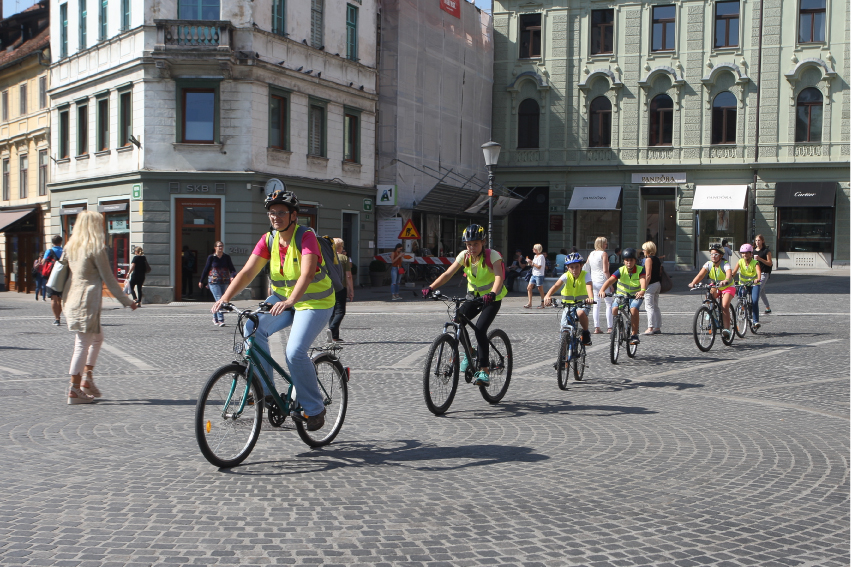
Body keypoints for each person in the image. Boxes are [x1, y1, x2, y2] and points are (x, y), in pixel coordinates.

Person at [211, 188, 334, 431]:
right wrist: (224, 297)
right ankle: (265, 391)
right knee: (251, 326)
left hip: (314, 302)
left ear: (293, 215)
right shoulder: (269, 239)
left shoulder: (306, 236)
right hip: (282, 298)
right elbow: (247, 272)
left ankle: (314, 408)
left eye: (281, 212)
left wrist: (291, 301)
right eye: (271, 213)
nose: (275, 216)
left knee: (294, 352)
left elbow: (308, 273)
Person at [59, 211, 137, 404]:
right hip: (86, 301)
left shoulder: (70, 246)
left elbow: (62, 271)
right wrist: (127, 301)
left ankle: (87, 378)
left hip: (71, 298)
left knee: (98, 337)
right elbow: (109, 280)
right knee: (82, 343)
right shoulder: (95, 248)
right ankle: (75, 389)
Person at [422, 224, 506, 386]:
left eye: (475, 244)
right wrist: (431, 287)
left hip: (491, 298)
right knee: (458, 319)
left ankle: (484, 370)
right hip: (472, 297)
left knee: (481, 329)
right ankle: (470, 352)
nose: (472, 247)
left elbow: (498, 277)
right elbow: (447, 274)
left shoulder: (493, 255)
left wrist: (492, 294)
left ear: (483, 242)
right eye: (469, 244)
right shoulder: (464, 256)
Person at [544, 253, 594, 348]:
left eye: (577, 267)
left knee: (580, 313)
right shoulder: (566, 276)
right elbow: (556, 286)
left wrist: (590, 298)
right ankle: (562, 359)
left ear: (581, 266)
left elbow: (589, 286)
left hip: (583, 304)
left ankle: (586, 332)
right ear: (567, 267)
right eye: (571, 267)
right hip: (568, 305)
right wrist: (547, 296)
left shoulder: (585, 275)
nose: (574, 270)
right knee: (564, 329)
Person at [599, 247, 645, 345]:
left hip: (635, 295)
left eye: (631, 260)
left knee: (633, 309)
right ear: (623, 261)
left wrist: (642, 291)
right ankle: (618, 326)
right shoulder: (621, 270)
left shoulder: (640, 269)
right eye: (626, 260)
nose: (629, 262)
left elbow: (643, 280)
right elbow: (610, 280)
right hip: (621, 294)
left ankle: (634, 334)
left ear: (635, 261)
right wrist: (602, 290)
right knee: (614, 308)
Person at [688, 244, 734, 340]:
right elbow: (700, 275)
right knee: (708, 298)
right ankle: (712, 312)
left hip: (727, 286)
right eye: (712, 254)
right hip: (715, 286)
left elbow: (729, 274)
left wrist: (725, 280)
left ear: (721, 255)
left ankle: (727, 329)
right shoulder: (708, 264)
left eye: (716, 254)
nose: (713, 256)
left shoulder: (725, 264)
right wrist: (693, 283)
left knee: (725, 306)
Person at [199, 241, 237, 325]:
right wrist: (201, 280)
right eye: (219, 246)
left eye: (222, 246)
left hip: (224, 281)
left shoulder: (226, 257)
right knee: (220, 299)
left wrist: (233, 276)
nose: (221, 248)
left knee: (219, 300)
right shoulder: (211, 257)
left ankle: (214, 317)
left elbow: (232, 269)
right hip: (213, 282)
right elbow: (206, 269)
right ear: (215, 247)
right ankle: (221, 320)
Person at [327, 238, 355, 343]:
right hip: (340, 287)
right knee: (340, 311)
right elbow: (348, 276)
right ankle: (332, 329)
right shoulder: (343, 258)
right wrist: (351, 290)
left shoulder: (328, 257)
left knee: (332, 311)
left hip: (329, 287)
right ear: (341, 247)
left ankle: (334, 336)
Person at [731, 243, 762, 331]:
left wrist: (758, 279)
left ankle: (755, 321)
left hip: (754, 284)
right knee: (741, 297)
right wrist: (729, 279)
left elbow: (758, 272)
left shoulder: (755, 262)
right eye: (743, 253)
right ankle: (742, 307)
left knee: (755, 300)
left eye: (747, 253)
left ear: (751, 253)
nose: (744, 255)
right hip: (743, 284)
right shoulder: (740, 261)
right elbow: (734, 272)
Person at [585, 236, 612, 334]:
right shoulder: (604, 254)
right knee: (609, 304)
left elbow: (586, 267)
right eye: (605, 243)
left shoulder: (591, 254)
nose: (606, 245)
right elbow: (605, 270)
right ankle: (610, 327)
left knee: (596, 305)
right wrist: (610, 283)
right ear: (602, 244)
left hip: (593, 281)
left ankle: (597, 327)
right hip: (603, 281)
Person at [641, 241, 663, 335]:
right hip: (657, 283)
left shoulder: (648, 259)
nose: (643, 251)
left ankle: (650, 327)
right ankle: (657, 327)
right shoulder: (657, 259)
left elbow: (648, 275)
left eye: (644, 249)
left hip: (651, 285)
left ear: (647, 250)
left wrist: (643, 287)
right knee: (655, 306)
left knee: (649, 307)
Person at [44, 235, 64, 326]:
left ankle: (57, 319)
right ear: (61, 242)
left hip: (51, 277)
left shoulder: (49, 251)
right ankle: (59, 316)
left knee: (54, 298)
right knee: (60, 298)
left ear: (52, 242)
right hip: (63, 277)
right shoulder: (64, 251)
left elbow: (43, 262)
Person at [754, 234, 773, 314]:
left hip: (764, 273)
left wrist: (760, 259)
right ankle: (767, 307)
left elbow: (770, 263)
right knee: (762, 292)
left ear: (762, 241)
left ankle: (754, 308)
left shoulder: (766, 251)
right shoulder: (753, 251)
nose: (757, 242)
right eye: (756, 240)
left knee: (757, 290)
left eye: (759, 240)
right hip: (755, 274)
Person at [525, 244, 546, 308]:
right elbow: (533, 265)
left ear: (537, 249)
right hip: (534, 274)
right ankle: (529, 303)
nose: (533, 249)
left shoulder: (541, 256)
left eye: (534, 248)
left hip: (539, 274)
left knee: (540, 289)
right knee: (529, 288)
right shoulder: (535, 256)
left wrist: (532, 262)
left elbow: (539, 266)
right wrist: (530, 262)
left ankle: (543, 303)